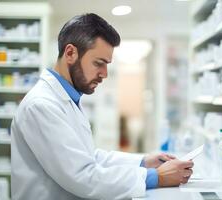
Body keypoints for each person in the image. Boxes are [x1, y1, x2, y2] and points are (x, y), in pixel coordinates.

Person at [11, 13, 193, 200]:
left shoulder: (66, 99)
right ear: (70, 53)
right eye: (99, 63)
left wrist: (143, 161)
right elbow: (82, 176)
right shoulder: (41, 105)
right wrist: (157, 177)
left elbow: (89, 157)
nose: (104, 74)